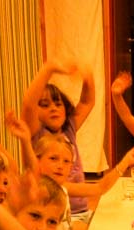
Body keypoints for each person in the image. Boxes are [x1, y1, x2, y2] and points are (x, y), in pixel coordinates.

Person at [22, 58, 95, 219]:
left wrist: (88, 76)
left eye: (58, 104)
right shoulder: (37, 133)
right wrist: (48, 69)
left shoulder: (69, 129)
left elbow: (87, 102)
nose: (53, 108)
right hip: (53, 214)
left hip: (81, 209)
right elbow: (28, 104)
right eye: (45, 105)